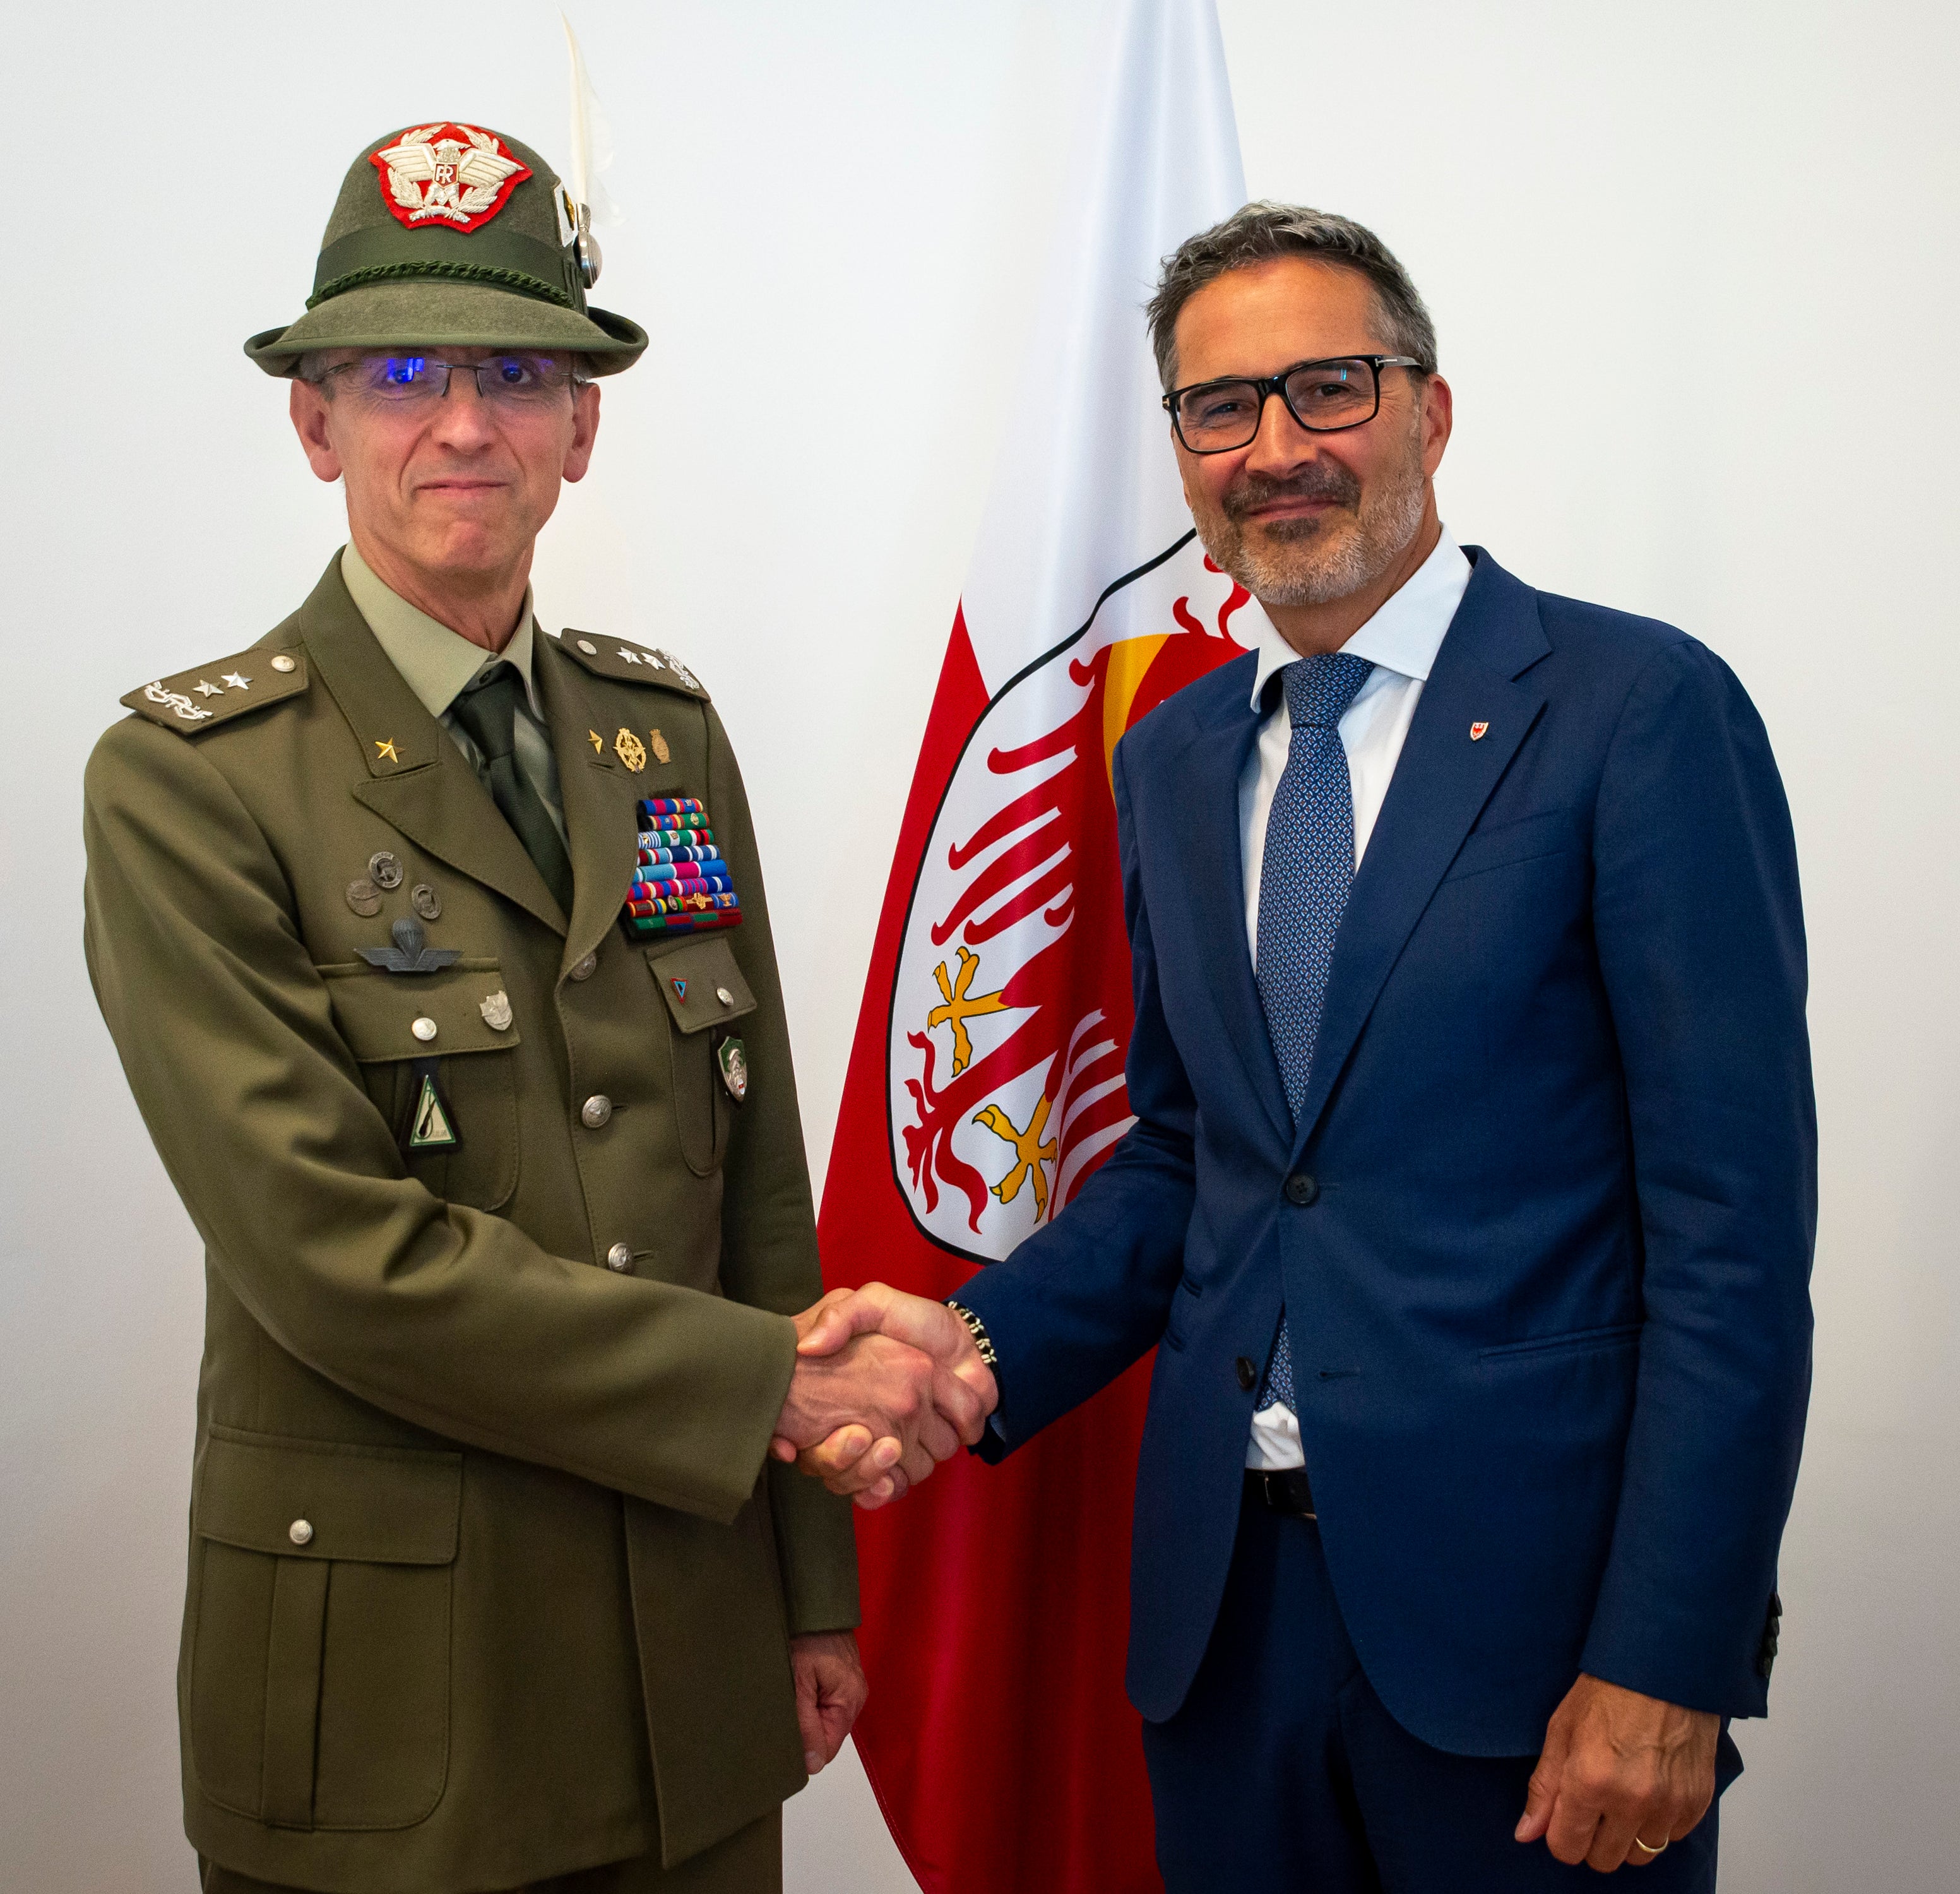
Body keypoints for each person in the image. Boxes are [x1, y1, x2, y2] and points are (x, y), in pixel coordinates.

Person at [788, 203, 1815, 1890]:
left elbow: (1732, 1237)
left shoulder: (1635, 713)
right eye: (1218, 408)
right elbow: (1201, 1165)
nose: (1274, 448)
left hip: (1533, 1645)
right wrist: (968, 1341)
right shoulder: (1180, 755)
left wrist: (1670, 1656)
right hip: (1222, 1631)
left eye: (1325, 390)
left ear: (1428, 408)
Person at [83, 122, 989, 1894]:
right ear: (314, 422)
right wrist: (781, 1398)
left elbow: (755, 1181)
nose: (464, 423)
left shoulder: (660, 738)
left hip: (696, 1677)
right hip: (405, 1711)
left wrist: (810, 1588)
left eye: (518, 370)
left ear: (584, 427)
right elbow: (331, 1254)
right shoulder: (191, 779)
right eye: (402, 371)